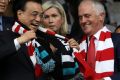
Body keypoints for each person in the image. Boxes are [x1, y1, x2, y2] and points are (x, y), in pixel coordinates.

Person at [0, 0, 55, 80]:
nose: (38, 19)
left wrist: (65, 49)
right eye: (34, 14)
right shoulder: (4, 36)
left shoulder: (42, 40)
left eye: (41, 15)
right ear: (20, 14)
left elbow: (53, 72)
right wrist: (19, 41)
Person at [68, 0, 120, 80]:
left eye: (87, 16)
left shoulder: (117, 40)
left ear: (101, 16)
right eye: (80, 17)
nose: (83, 21)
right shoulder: (77, 45)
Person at [41, 1, 83, 80]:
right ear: (41, 20)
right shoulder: (37, 41)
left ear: (62, 18)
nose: (50, 21)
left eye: (54, 16)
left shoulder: (70, 39)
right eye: (46, 17)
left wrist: (77, 51)